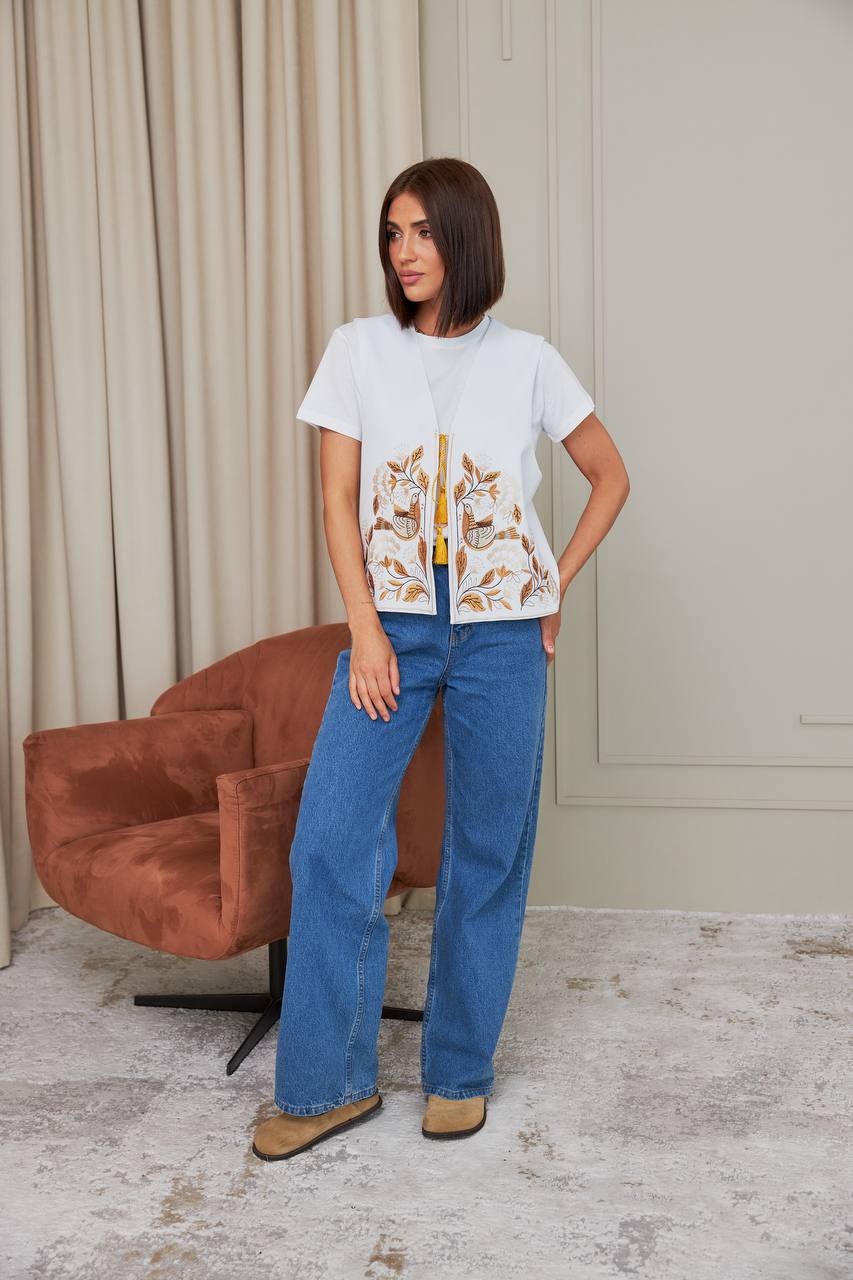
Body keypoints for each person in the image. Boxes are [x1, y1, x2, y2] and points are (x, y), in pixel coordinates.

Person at [253, 157, 630, 1161]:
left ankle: (458, 1071)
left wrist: (553, 583)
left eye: (421, 231)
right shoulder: (357, 350)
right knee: (332, 841)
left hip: (504, 630)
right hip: (396, 623)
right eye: (392, 233)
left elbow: (609, 475)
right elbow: (337, 499)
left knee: (488, 850)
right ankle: (327, 1085)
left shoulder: (529, 360)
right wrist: (364, 626)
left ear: (466, 235)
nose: (403, 252)